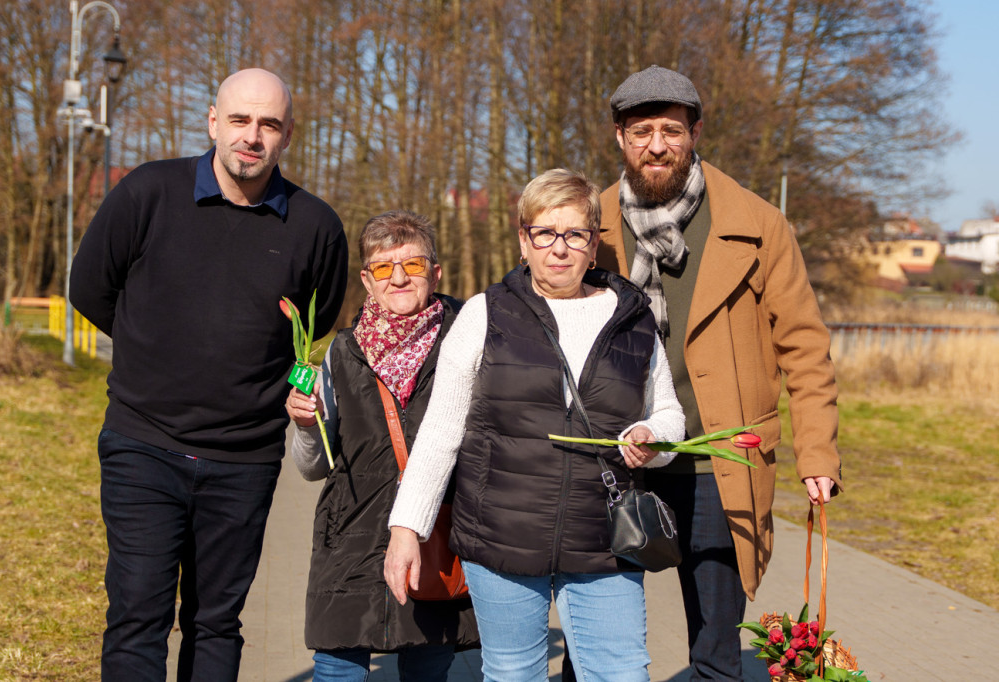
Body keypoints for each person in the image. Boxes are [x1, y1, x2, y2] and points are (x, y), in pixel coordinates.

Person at [70, 68, 348, 681]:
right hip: (143, 445)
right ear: (213, 122)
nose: (252, 136)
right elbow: (89, 287)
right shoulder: (148, 192)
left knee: (217, 623)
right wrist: (156, 347)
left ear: (288, 136)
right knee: (137, 618)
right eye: (241, 120)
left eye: (269, 124)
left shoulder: (315, 226)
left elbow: (315, 320)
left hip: (244, 461)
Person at [383, 168, 686, 681]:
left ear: (594, 245)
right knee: (513, 672)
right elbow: (439, 435)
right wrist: (405, 528)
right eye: (544, 233)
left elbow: (669, 413)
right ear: (524, 241)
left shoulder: (633, 320)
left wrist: (654, 440)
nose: (559, 248)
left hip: (603, 538)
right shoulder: (485, 314)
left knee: (622, 672)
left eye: (574, 234)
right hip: (502, 536)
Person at [594, 65, 842, 681]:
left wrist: (818, 454)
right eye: (642, 131)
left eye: (672, 131)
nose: (657, 145)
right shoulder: (586, 226)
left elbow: (805, 347)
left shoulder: (758, 224)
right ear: (619, 137)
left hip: (719, 461)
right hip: (616, 457)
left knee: (715, 651)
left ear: (695, 131)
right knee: (594, 639)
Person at [285, 210, 479, 681]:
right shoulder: (340, 352)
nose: (398, 278)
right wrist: (306, 426)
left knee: (429, 670)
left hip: (435, 537)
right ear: (367, 282)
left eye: (411, 265)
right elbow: (312, 468)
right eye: (383, 268)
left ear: (434, 274)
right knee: (336, 670)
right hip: (348, 542)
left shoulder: (468, 341)